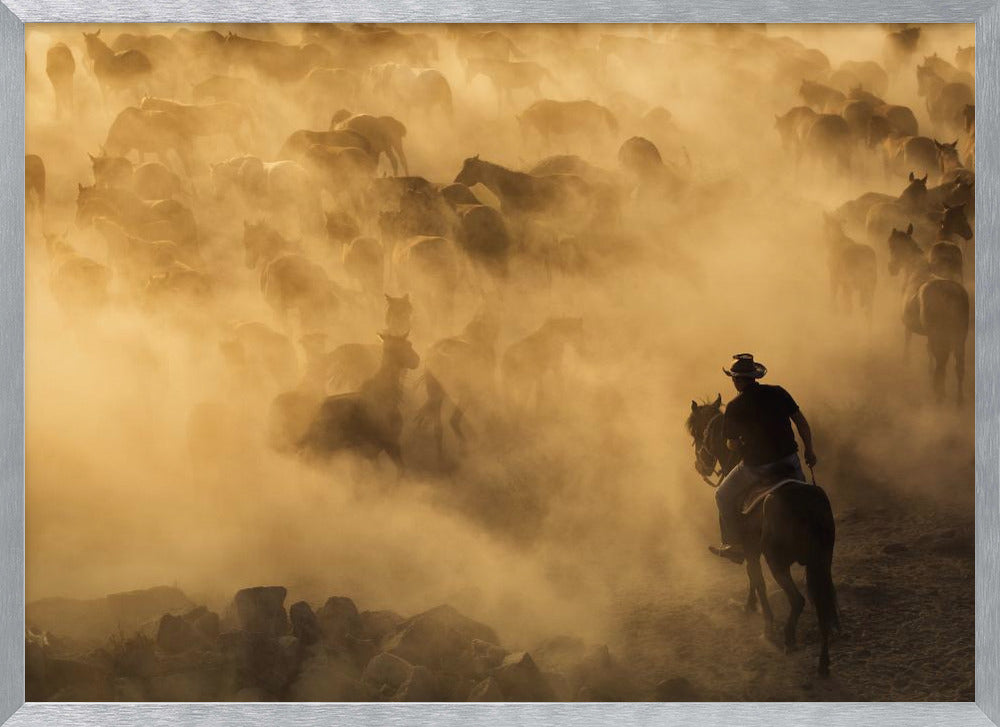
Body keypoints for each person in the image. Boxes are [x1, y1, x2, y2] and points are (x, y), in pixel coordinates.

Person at [709, 353, 817, 564]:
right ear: (754, 376)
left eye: (733, 378)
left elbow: (732, 444)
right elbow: (802, 424)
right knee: (807, 497)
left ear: (737, 380)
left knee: (721, 495)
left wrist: (737, 443)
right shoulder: (779, 392)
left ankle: (734, 544)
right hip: (790, 461)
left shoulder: (734, 406)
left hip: (756, 468)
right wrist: (809, 451)